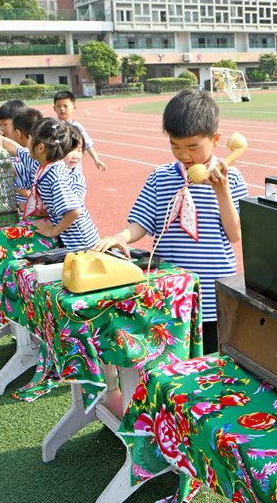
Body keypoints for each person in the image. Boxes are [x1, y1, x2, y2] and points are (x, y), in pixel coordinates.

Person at [93, 89, 248, 355]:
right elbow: (141, 221)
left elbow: (235, 234)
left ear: (216, 139)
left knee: (212, 362)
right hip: (170, 292)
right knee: (172, 360)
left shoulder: (232, 179)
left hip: (214, 295)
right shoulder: (160, 177)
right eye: (175, 146)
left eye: (193, 147)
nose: (184, 155)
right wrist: (121, 237)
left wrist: (222, 192)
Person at [24, 118, 100, 249]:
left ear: (40, 148)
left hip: (81, 242)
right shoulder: (46, 167)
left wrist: (53, 231)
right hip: (72, 239)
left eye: (30, 139)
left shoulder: (55, 175)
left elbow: (74, 211)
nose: (27, 144)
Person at [52, 90, 106, 171]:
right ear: (54, 108)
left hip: (75, 166)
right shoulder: (53, 126)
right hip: (58, 166)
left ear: (74, 108)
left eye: (65, 106)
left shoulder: (78, 127)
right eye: (59, 106)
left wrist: (96, 159)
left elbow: (87, 144)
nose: (62, 109)